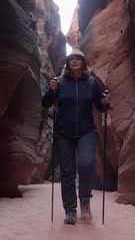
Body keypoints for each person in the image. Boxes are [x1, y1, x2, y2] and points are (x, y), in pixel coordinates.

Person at [41, 48, 111, 225]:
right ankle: (70, 210)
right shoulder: (60, 81)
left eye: (77, 58)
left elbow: (101, 107)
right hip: (63, 133)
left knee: (86, 163)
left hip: (86, 131)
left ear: (83, 62)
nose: (74, 60)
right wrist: (52, 89)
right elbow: (46, 103)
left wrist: (104, 102)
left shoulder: (93, 83)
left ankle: (85, 203)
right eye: (71, 58)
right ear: (67, 63)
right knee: (67, 172)